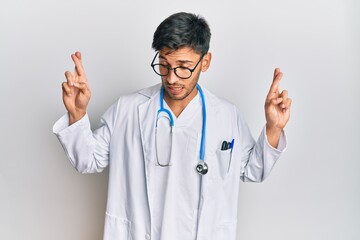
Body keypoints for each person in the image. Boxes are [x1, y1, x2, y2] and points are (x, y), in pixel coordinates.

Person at [53, 12, 291, 240]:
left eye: (183, 67)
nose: (172, 78)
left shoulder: (226, 116)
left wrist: (273, 128)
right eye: (164, 65)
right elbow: (87, 161)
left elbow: (252, 170)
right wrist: (77, 113)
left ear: (205, 62)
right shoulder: (127, 109)